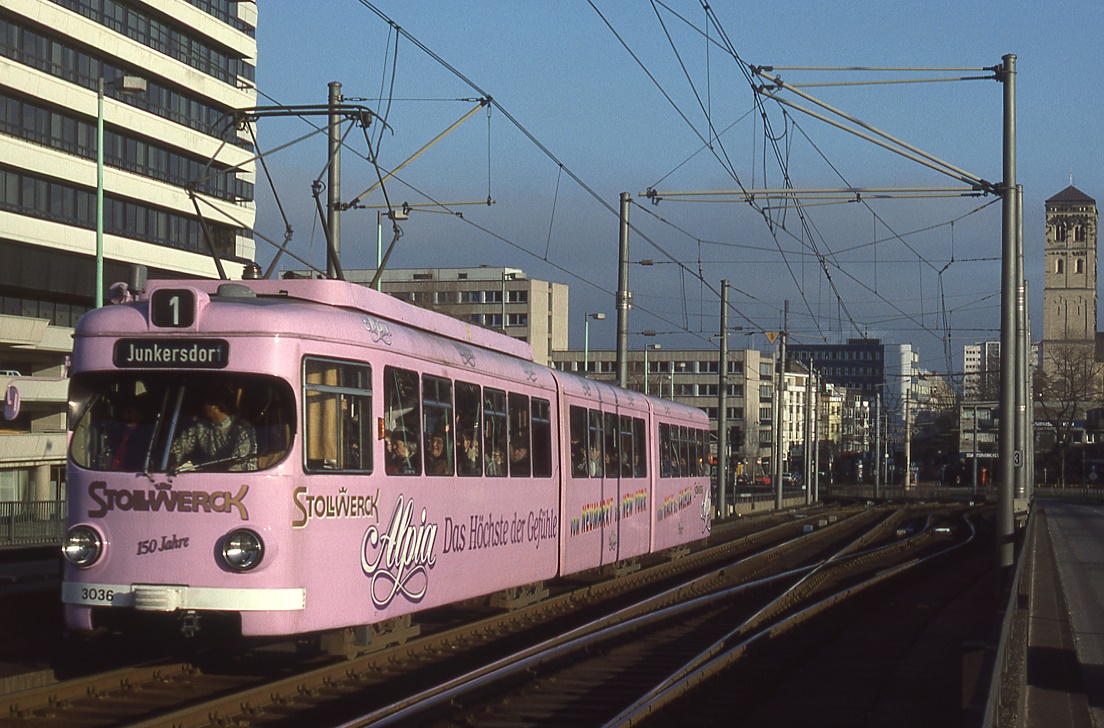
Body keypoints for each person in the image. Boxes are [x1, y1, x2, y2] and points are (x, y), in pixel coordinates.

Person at [169, 388, 256, 472]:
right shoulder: (201, 427)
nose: (202, 408)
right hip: (207, 481)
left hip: (237, 482)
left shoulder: (243, 429)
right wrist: (172, 462)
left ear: (215, 407)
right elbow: (178, 447)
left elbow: (239, 465)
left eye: (205, 404)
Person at [107, 396, 152, 471]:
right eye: (123, 413)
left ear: (139, 414)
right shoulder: (118, 432)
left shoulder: (146, 434)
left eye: (130, 413)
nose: (126, 417)